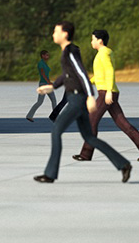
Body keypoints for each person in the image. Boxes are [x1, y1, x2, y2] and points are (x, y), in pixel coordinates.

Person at [33, 21, 130, 183]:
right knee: (90, 137)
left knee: (56, 131)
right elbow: (67, 75)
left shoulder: (70, 51)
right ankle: (124, 164)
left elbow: (82, 74)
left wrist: (91, 96)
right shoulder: (67, 52)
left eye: (56, 31)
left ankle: (50, 174)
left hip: (77, 99)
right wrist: (52, 87)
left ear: (64, 34)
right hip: (76, 97)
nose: (53, 34)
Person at [76, 29, 139, 162]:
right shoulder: (103, 53)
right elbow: (101, 75)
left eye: (93, 39)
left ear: (100, 41)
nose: (91, 42)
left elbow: (110, 71)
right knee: (122, 123)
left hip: (106, 92)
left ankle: (85, 154)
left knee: (91, 121)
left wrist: (109, 91)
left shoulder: (104, 53)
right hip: (107, 91)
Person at [25, 49, 58, 122]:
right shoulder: (41, 63)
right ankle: (29, 115)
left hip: (46, 84)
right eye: (46, 55)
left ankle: (55, 116)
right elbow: (43, 74)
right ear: (42, 56)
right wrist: (48, 82)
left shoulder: (45, 63)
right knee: (40, 101)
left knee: (53, 100)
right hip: (44, 84)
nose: (48, 56)